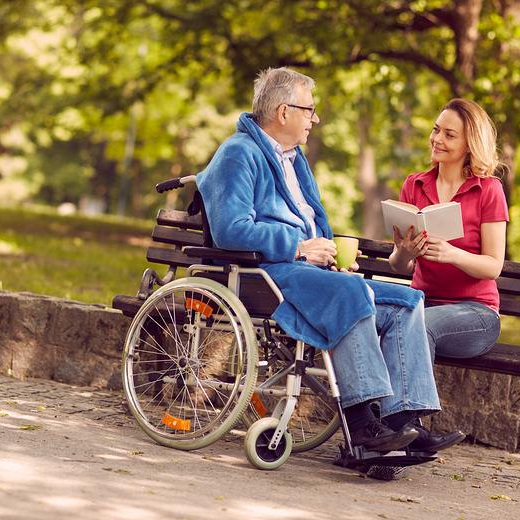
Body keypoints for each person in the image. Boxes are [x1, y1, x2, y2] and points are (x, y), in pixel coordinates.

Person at [198, 67, 463, 455]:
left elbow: (311, 221)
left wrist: (328, 254)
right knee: (350, 292)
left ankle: (402, 423)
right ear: (283, 112)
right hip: (269, 271)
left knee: (408, 302)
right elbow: (230, 229)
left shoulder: (292, 158)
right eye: (309, 110)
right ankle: (361, 427)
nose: (315, 118)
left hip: (308, 271)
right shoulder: (239, 153)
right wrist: (300, 247)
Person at [387, 99, 509, 363]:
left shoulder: (488, 189)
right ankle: (397, 406)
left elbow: (493, 266)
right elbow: (399, 265)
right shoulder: (415, 185)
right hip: (422, 302)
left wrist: (452, 254)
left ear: (469, 145)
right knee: (375, 320)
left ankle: (401, 406)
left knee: (414, 325)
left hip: (477, 313)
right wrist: (406, 253)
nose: (437, 139)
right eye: (436, 130)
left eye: (449, 135)